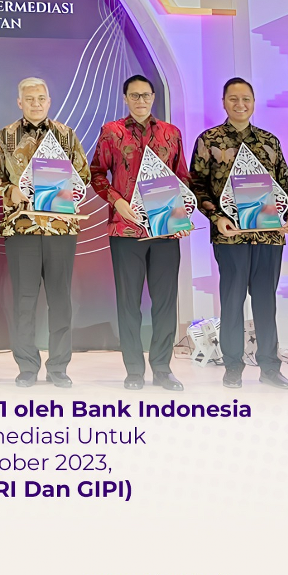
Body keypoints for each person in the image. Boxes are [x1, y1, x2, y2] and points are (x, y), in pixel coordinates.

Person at [189, 78, 288, 389]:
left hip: (269, 236)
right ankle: (233, 367)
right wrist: (216, 218)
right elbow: (196, 185)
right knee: (232, 301)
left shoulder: (269, 141)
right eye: (233, 99)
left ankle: (270, 368)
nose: (240, 104)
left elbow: (285, 183)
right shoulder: (209, 140)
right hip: (231, 236)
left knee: (265, 302)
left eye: (246, 99)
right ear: (223, 102)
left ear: (253, 101)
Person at [0, 77, 89, 388]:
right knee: (24, 300)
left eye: (41, 98)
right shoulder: (6, 136)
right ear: (19, 102)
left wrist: (66, 189)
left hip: (60, 228)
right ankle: (27, 367)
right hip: (22, 228)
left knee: (60, 301)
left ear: (49, 101)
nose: (36, 103)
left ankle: (59, 367)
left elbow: (83, 175)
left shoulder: (66, 135)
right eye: (29, 99)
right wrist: (11, 192)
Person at [90, 76, 189, 391]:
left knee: (165, 302)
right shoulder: (112, 132)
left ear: (154, 97)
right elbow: (96, 173)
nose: (140, 101)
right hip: (125, 229)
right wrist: (116, 201)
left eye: (145, 95)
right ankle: (134, 370)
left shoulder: (171, 133)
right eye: (134, 96)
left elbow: (183, 178)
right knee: (129, 303)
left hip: (164, 231)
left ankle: (162, 368)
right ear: (125, 98)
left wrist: (182, 216)